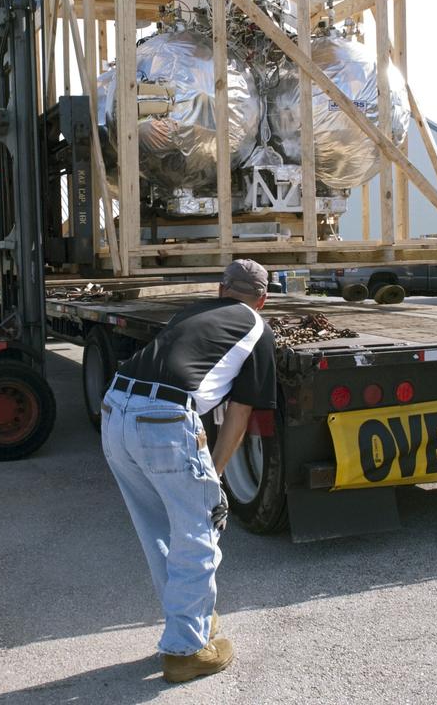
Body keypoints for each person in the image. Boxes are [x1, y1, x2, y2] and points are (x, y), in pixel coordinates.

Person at [101, 259, 276, 684]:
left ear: (221, 290)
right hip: (163, 422)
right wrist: (215, 475)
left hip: (114, 410)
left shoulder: (190, 312)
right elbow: (239, 413)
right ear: (262, 299)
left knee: (158, 530)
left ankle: (192, 621)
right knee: (199, 530)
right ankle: (186, 651)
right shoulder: (257, 327)